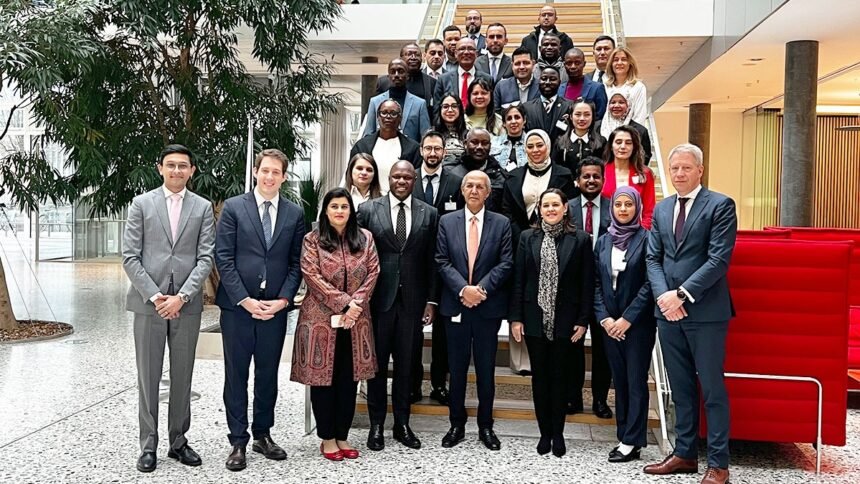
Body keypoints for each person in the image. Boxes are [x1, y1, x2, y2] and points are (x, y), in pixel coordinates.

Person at [643, 144, 737, 484]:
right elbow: (653, 258)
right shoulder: (663, 208)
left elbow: (719, 259)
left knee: (712, 390)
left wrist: (682, 294)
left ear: (700, 170)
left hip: (706, 313)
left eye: (686, 167)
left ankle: (719, 464)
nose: (680, 173)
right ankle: (684, 454)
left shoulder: (721, 205)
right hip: (668, 313)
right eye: (675, 168)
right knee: (680, 388)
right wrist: (664, 298)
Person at [122, 144, 215, 473]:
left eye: (183, 166)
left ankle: (178, 441)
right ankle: (148, 445)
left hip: (186, 306)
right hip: (149, 305)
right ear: (160, 168)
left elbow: (205, 258)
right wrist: (156, 296)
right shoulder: (141, 204)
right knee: (148, 376)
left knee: (182, 375)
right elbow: (130, 257)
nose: (177, 170)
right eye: (171, 165)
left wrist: (182, 296)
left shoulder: (202, 207)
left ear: (192, 171)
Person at [215, 149, 306, 471]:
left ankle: (263, 435)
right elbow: (223, 258)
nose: (269, 177)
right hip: (238, 308)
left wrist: (283, 300)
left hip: (275, 309)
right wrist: (244, 299)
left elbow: (296, 263)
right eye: (264, 170)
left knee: (267, 375)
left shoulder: (294, 213)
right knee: (236, 375)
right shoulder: (234, 208)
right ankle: (238, 440)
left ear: (284, 177)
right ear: (256, 172)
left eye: (275, 172)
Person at [291, 187, 380, 462]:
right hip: (320, 320)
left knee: (348, 379)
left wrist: (355, 305)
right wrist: (345, 303)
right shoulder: (312, 240)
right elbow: (311, 275)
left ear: (351, 210)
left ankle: (343, 435)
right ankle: (327, 438)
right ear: (326, 211)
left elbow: (373, 272)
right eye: (334, 206)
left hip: (355, 321)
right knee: (322, 379)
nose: (340, 211)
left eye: (344, 206)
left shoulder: (365, 238)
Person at [358, 161, 439, 451]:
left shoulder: (429, 213)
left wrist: (431, 301)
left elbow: (433, 260)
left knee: (407, 366)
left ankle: (402, 424)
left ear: (414, 180)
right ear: (389, 178)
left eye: (407, 177)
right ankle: (377, 425)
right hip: (378, 302)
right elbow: (359, 257)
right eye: (396, 176)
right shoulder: (368, 210)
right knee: (377, 366)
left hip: (413, 304)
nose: (401, 181)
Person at [509, 188, 593, 457]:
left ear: (565, 208)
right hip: (534, 319)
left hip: (566, 321)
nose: (551, 209)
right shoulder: (527, 237)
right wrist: (516, 318)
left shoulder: (580, 239)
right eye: (546, 205)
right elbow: (519, 280)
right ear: (540, 209)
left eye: (556, 204)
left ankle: (558, 434)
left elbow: (586, 283)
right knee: (540, 379)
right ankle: (544, 433)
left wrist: (583, 320)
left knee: (559, 378)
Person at [435, 170, 513, 451]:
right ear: (462, 190)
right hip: (456, 305)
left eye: (480, 186)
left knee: (485, 370)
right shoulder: (447, 221)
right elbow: (441, 260)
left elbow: (506, 262)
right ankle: (456, 424)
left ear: (488, 192)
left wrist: (479, 290)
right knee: (456, 370)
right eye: (469, 185)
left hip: (486, 308)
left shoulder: (501, 223)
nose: (474, 190)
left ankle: (486, 426)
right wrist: (463, 290)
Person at [593, 186, 656, 463]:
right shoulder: (603, 241)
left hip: (637, 325)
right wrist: (605, 318)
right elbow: (596, 283)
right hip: (610, 325)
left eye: (628, 204)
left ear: (637, 208)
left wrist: (627, 319)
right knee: (619, 381)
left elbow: (650, 284)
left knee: (635, 381)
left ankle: (632, 440)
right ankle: (624, 437)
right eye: (618, 204)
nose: (622, 209)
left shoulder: (648, 239)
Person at [410, 131, 465, 406]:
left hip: (446, 265)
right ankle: (412, 383)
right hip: (414, 264)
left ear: (445, 152)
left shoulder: (456, 182)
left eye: (437, 149)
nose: (433, 153)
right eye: (428, 148)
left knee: (443, 330)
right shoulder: (408, 179)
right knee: (412, 330)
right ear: (421, 150)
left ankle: (439, 383)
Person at [567, 156, 613, 417]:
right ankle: (573, 398)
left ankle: (600, 400)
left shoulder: (615, 207)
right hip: (574, 288)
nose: (591, 180)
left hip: (605, 288)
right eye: (586, 176)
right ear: (578, 180)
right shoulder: (567, 207)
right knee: (573, 346)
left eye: (596, 176)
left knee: (602, 349)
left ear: (603, 180)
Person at [501, 128, 576, 250]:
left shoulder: (564, 175)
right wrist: (521, 237)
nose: (535, 150)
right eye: (530, 146)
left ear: (548, 146)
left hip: (558, 239)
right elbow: (507, 210)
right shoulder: (513, 177)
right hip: (520, 240)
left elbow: (569, 207)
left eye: (540, 145)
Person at [351, 99, 422, 192]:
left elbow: (416, 180)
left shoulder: (413, 148)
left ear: (400, 118)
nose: (388, 117)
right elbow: (351, 176)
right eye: (384, 113)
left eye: (393, 113)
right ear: (378, 117)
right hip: (368, 197)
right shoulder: (362, 146)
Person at [364, 58, 431, 143]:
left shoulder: (420, 104)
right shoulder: (375, 102)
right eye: (392, 72)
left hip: (410, 150)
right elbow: (368, 135)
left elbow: (426, 137)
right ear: (388, 76)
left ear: (407, 76)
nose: (396, 75)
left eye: (400, 71)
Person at [601, 125, 655, 228]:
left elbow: (649, 211)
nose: (623, 146)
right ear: (611, 146)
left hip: (636, 231)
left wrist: (642, 232)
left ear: (634, 147)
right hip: (605, 230)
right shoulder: (601, 171)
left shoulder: (645, 173)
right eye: (618, 142)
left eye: (628, 143)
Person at [445, 128, 508, 212]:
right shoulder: (451, 173)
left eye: (484, 143)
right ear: (465, 144)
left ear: (490, 146)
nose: (479, 147)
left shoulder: (500, 176)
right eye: (474, 142)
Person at [432, 38, 492, 115]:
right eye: (462, 49)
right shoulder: (443, 80)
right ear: (456, 53)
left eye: (470, 49)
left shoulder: (487, 79)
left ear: (476, 54)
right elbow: (437, 109)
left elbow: (491, 107)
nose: (466, 52)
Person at [376, 43, 437, 115]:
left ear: (422, 58)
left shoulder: (431, 83)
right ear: (401, 58)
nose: (413, 57)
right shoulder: (383, 82)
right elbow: (376, 110)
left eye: (417, 55)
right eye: (409, 54)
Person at [597, 87, 653, 162]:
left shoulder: (640, 130)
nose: (616, 105)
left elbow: (645, 156)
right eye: (613, 102)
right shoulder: (597, 127)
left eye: (621, 102)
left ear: (628, 105)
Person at [552, 99, 606, 174]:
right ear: (571, 116)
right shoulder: (560, 142)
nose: (582, 118)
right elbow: (555, 169)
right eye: (578, 114)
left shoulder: (601, 142)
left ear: (593, 117)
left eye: (587, 115)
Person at [521, 67, 573, 142]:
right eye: (544, 79)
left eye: (553, 79)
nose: (548, 82)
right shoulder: (527, 108)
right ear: (539, 81)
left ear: (559, 82)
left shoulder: (569, 106)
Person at [558, 48, 607, 120]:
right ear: (564, 65)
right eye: (569, 63)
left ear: (584, 64)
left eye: (577, 63)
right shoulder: (559, 89)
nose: (573, 66)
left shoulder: (597, 88)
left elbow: (600, 116)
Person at [604, 46, 648, 127]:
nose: (619, 62)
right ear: (611, 64)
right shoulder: (605, 86)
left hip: (631, 133)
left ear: (630, 63)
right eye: (616, 60)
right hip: (606, 133)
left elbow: (639, 117)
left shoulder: (638, 87)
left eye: (624, 59)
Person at [494, 47, 540, 112]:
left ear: (533, 64)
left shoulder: (542, 86)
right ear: (512, 65)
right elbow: (496, 113)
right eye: (517, 63)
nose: (522, 67)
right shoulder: (501, 87)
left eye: (526, 63)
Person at [491, 104, 529, 171]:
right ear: (504, 123)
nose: (513, 121)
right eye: (509, 118)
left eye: (517, 117)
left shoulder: (531, 143)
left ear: (524, 120)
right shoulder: (494, 142)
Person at [433, 93, 468, 166]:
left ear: (460, 109)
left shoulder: (469, 134)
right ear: (440, 109)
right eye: (445, 106)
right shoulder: (431, 134)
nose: (450, 110)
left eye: (454, 106)